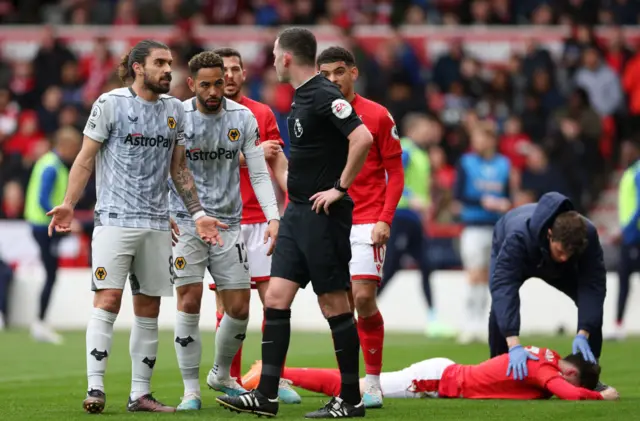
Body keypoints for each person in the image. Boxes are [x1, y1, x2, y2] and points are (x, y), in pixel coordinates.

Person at [46, 39, 226, 414]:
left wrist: (196, 213)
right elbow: (84, 159)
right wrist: (68, 203)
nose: (168, 70)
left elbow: (179, 169)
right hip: (114, 221)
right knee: (108, 299)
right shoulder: (110, 104)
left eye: (170, 63)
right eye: (160, 62)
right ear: (138, 66)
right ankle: (95, 388)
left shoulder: (175, 110)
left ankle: (139, 394)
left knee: (148, 308)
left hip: (158, 225)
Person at [216, 27, 374, 419]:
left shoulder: (323, 94)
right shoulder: (300, 99)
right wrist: (272, 164)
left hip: (324, 216)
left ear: (286, 57)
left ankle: (351, 400)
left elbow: (363, 138)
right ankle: (266, 396)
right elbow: (297, 171)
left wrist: (340, 188)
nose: (270, 61)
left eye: (273, 54)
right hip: (296, 213)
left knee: (334, 303)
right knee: (275, 299)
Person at [170, 51, 281, 411]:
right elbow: (165, 168)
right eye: (206, 84)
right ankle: (191, 389)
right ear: (191, 85)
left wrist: (273, 216)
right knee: (188, 300)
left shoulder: (243, 117)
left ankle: (220, 373)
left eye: (219, 82)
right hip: (186, 222)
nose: (215, 90)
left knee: (239, 307)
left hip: (230, 224)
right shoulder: (176, 116)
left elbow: (259, 171)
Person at [316, 46, 404, 409]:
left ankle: (372, 382)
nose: (333, 79)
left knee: (364, 298)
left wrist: (385, 219)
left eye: (339, 71)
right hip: (331, 219)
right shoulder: (320, 115)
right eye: (326, 75)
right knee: (341, 307)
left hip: (368, 218)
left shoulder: (378, 115)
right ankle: (350, 385)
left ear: (353, 72)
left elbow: (395, 173)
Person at [210, 47, 298, 404]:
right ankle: (229, 378)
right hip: (224, 223)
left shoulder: (262, 113)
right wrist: (251, 155)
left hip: (262, 222)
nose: (229, 76)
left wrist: (293, 207)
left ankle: (271, 379)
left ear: (244, 74)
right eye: (223, 71)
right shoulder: (202, 114)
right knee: (230, 308)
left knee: (274, 304)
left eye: (234, 69)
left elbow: (280, 165)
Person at [489, 192, 606, 386]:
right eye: (560, 251)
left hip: (559, 269)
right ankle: (498, 372)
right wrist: (514, 344)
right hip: (515, 245)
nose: (564, 258)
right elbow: (504, 287)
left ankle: (588, 379)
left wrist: (583, 332)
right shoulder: (518, 237)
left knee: (591, 309)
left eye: (570, 254)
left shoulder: (588, 236)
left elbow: (593, 286)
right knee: (499, 308)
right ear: (550, 234)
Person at [239, 346, 619, 402]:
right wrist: (599, 396)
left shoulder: (543, 356)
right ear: (569, 370)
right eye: (573, 378)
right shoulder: (544, 368)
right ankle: (270, 373)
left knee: (358, 385)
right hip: (437, 380)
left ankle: (276, 374)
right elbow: (566, 392)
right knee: (355, 388)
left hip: (445, 373)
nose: (564, 384)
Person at [376, 114, 452, 338]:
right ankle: (363, 313)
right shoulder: (406, 149)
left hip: (414, 218)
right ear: (412, 129)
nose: (429, 131)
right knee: (390, 267)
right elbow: (391, 178)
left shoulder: (421, 153)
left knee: (425, 265)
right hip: (402, 214)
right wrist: (413, 197)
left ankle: (433, 318)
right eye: (425, 127)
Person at [23, 126, 82, 344]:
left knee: (51, 274)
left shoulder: (48, 162)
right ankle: (39, 323)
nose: (75, 153)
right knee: (50, 274)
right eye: (74, 148)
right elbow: (43, 199)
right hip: (43, 226)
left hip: (40, 224)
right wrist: (61, 220)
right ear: (65, 145)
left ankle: (40, 321)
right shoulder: (52, 166)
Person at [455, 126, 511, 344]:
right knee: (474, 275)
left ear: (491, 139)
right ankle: (470, 323)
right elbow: (459, 194)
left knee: (491, 277)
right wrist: (482, 202)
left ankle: (484, 323)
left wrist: (504, 203)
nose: (476, 141)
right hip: (473, 226)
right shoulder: (466, 162)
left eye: (480, 137)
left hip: (496, 227)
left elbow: (506, 194)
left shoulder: (503, 164)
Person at [610, 138, 640, 340]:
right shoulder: (630, 172)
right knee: (623, 280)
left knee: (624, 279)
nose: (624, 154)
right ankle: (618, 324)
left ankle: (618, 325)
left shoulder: (637, 173)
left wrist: (625, 231)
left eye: (627, 150)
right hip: (630, 237)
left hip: (635, 236)